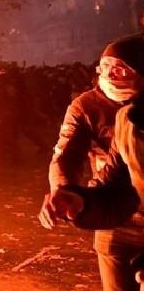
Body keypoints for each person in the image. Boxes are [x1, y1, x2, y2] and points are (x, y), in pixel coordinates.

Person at [40, 35, 144, 291]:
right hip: (115, 212)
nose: (111, 73)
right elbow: (69, 156)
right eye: (106, 65)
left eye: (121, 66)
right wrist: (69, 195)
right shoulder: (96, 110)